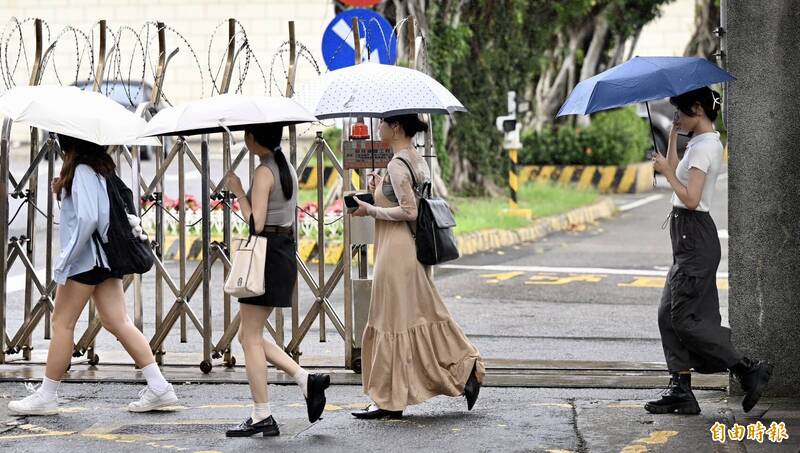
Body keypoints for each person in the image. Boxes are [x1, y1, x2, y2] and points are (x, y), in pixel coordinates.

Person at [8, 134, 177, 415]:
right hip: (106, 260)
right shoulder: (99, 168)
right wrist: (64, 191)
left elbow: (88, 219)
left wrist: (65, 260)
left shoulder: (83, 171)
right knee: (117, 321)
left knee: (62, 323)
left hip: (86, 261)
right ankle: (159, 387)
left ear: (68, 143)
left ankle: (47, 395)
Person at [350, 114, 484, 419]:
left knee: (391, 321)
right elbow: (404, 199)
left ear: (395, 127)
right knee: (422, 315)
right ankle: (466, 369)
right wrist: (379, 190)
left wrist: (370, 208)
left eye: (383, 122)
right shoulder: (416, 159)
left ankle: (389, 400)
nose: (379, 127)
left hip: (396, 253)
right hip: (412, 250)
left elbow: (409, 211)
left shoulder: (397, 163)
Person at [648, 87, 773, 415]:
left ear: (698, 109)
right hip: (686, 238)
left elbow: (690, 197)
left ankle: (746, 367)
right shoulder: (699, 143)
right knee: (667, 315)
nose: (676, 117)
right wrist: (673, 141)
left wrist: (663, 172)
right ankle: (681, 391)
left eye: (680, 112)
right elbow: (677, 172)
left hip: (694, 235)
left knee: (685, 319)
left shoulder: (706, 147)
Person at [223, 124, 329, 437]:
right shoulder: (286, 167)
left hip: (265, 255)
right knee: (248, 334)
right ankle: (304, 380)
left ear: (253, 139)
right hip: (282, 251)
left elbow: (255, 222)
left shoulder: (264, 172)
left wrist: (237, 189)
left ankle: (262, 414)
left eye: (246, 134)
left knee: (250, 337)